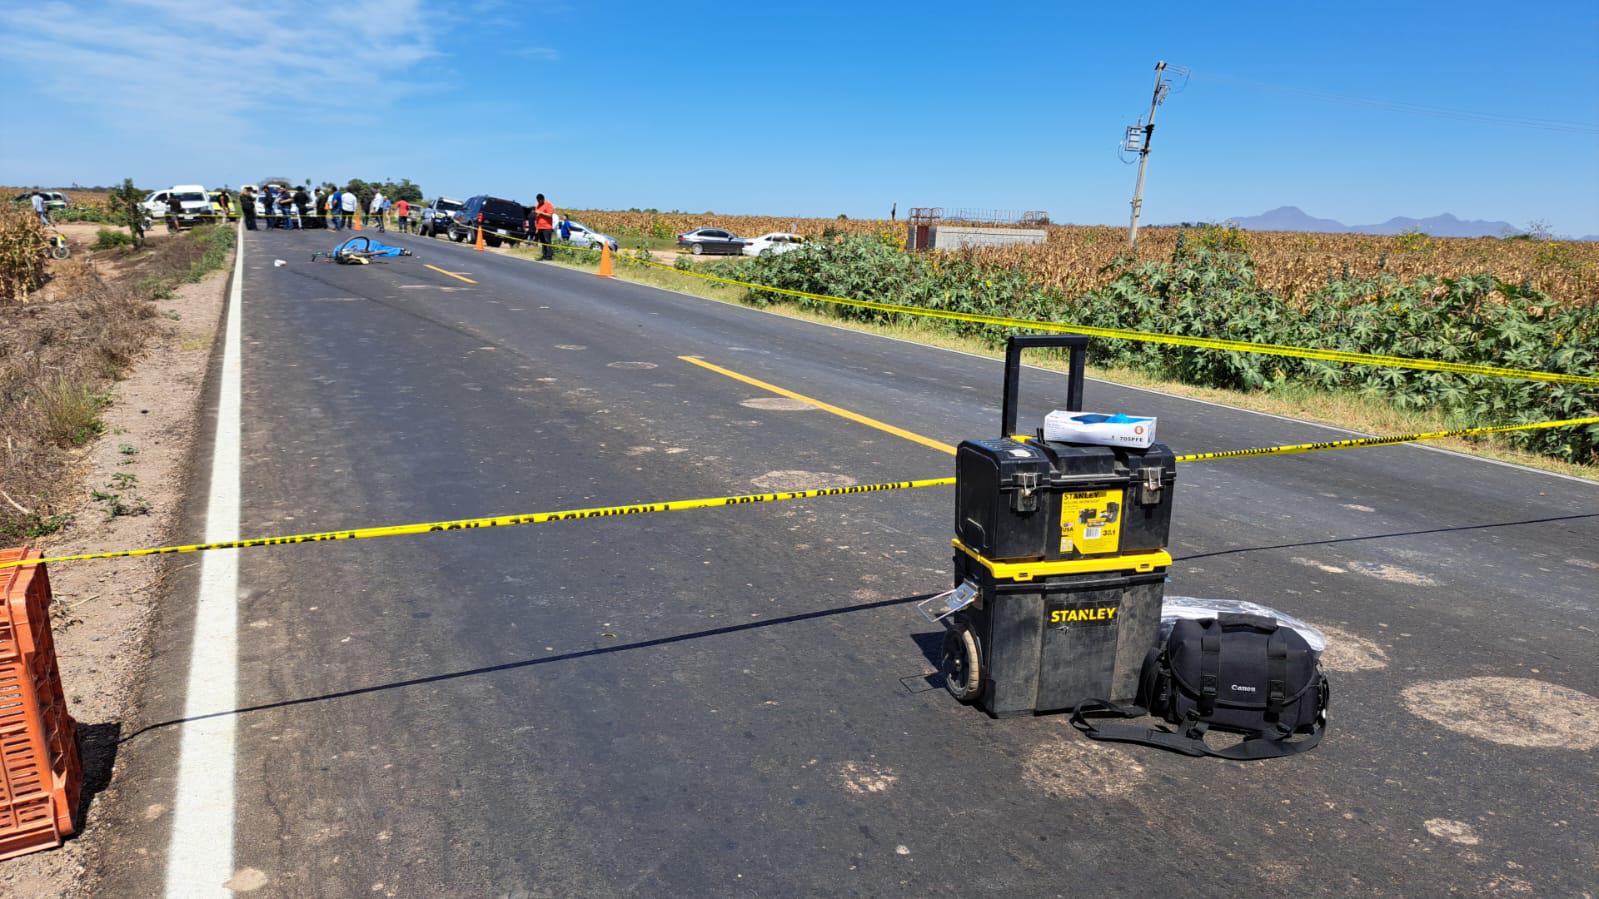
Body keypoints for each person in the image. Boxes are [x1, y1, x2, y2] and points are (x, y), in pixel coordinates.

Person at [532, 193, 555, 260]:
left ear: (542, 199)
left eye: (539, 200)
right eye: (537, 200)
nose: (538, 202)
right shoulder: (537, 205)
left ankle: (549, 256)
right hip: (540, 227)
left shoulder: (548, 204)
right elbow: (537, 216)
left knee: (547, 242)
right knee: (543, 242)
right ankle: (544, 255)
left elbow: (550, 215)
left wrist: (541, 213)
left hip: (547, 227)